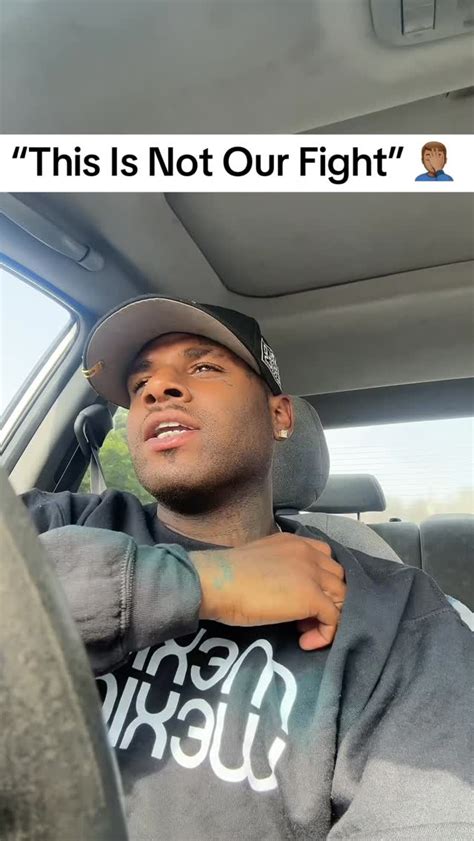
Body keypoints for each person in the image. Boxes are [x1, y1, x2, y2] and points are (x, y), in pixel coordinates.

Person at [22, 296, 471, 841]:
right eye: (140, 385)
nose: (158, 390)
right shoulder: (55, 520)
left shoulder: (397, 611)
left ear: (279, 416)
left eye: (204, 368)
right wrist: (207, 581)